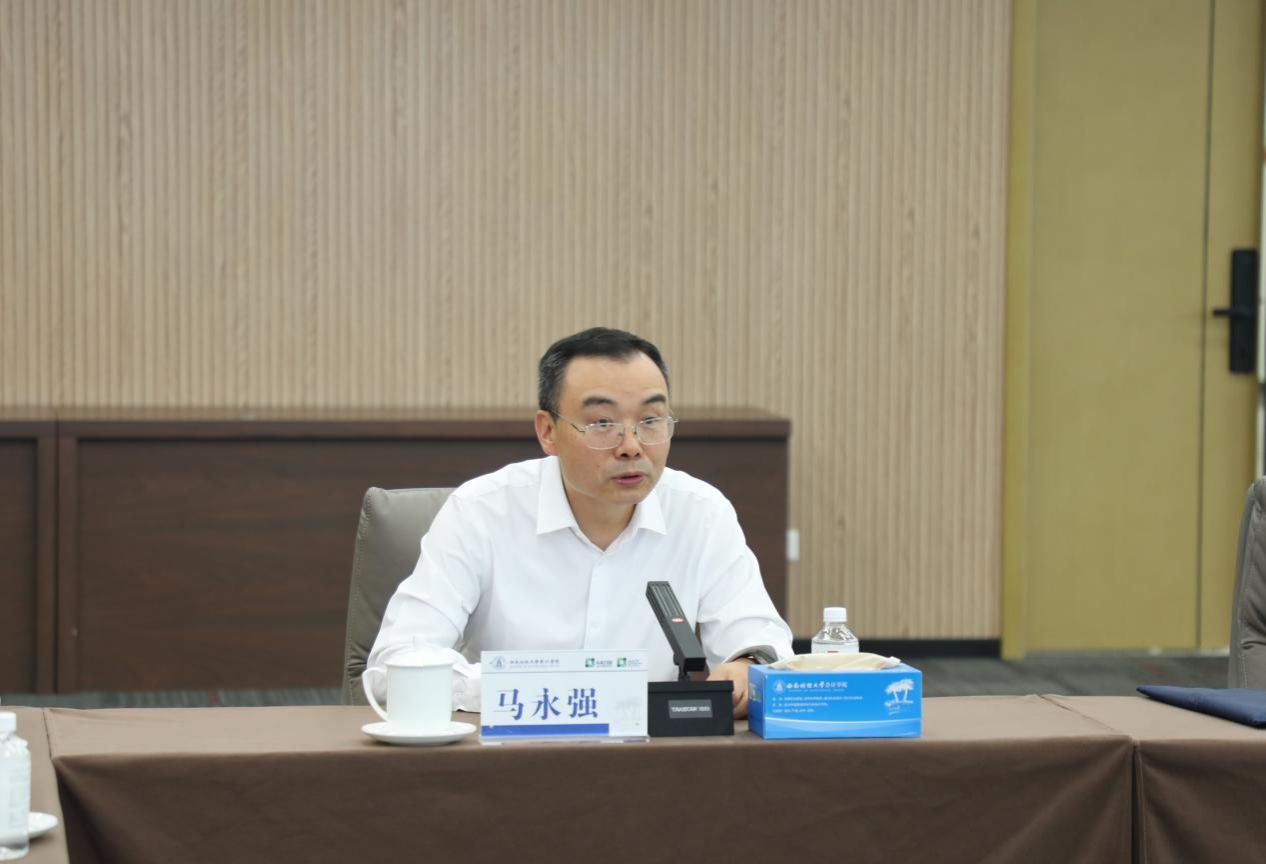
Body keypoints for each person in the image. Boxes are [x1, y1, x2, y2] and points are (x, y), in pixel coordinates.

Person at [367, 327, 793, 717]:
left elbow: (762, 645)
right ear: (547, 432)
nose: (631, 446)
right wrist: (533, 692)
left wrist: (747, 668)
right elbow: (394, 668)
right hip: (507, 757)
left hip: (650, 757)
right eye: (602, 423)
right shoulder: (480, 511)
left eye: (650, 421)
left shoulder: (701, 513)